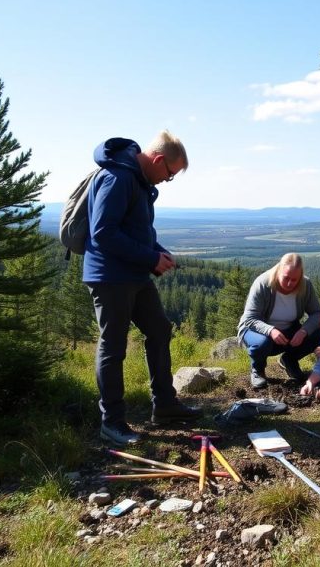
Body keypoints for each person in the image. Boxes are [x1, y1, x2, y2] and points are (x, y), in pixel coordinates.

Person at [83, 131, 200, 446]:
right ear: (159, 160)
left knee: (160, 329)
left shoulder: (137, 180)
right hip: (109, 277)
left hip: (134, 274)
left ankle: (164, 405)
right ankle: (113, 422)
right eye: (170, 174)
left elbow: (136, 231)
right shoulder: (118, 178)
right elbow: (103, 233)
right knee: (113, 346)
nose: (167, 181)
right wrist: (150, 258)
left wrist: (157, 254)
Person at [237, 253, 320, 389]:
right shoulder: (263, 284)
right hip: (257, 331)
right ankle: (258, 370)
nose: (289, 283)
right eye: (286, 278)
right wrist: (270, 330)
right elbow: (250, 318)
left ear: (300, 277)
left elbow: (317, 313)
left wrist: (303, 331)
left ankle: (289, 360)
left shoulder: (305, 285)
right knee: (261, 344)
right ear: (279, 271)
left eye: (294, 280)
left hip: (289, 332)